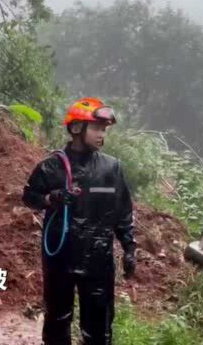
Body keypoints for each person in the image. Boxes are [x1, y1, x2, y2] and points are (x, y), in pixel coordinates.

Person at [22, 97, 137, 345]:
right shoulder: (52, 167)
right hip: (60, 255)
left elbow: (123, 211)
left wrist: (129, 247)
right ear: (76, 128)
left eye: (104, 130)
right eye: (96, 128)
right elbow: (29, 196)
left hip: (99, 259)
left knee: (99, 325)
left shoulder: (111, 168)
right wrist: (50, 198)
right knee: (57, 319)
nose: (102, 135)